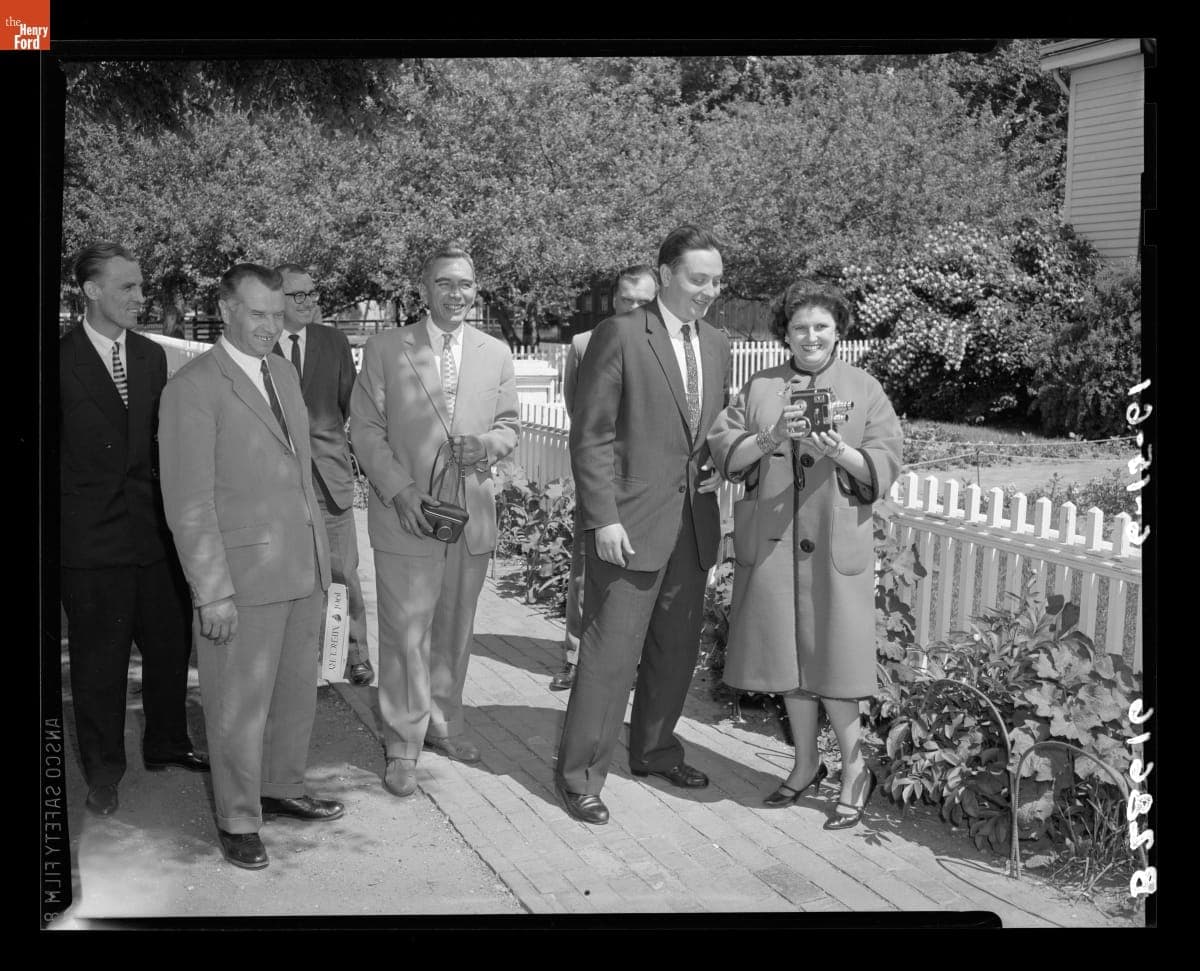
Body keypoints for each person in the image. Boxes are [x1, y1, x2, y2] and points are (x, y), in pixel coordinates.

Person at [159, 264, 343, 870]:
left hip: (301, 567)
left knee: (295, 697)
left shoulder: (283, 373)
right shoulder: (193, 388)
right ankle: (238, 818)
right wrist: (211, 592)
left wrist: (326, 559)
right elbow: (189, 502)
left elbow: (296, 474)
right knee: (238, 707)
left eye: (276, 313)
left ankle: (281, 786)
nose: (270, 325)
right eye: (258, 314)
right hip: (239, 581)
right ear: (227, 309)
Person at [707, 279, 903, 830]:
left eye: (821, 326)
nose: (810, 336)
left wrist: (839, 449)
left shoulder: (864, 389)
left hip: (835, 546)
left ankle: (855, 768)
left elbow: (885, 463)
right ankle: (804, 762)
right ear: (785, 334)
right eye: (799, 327)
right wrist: (772, 437)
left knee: (832, 662)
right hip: (772, 544)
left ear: (838, 331)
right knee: (788, 660)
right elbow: (728, 451)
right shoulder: (762, 385)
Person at [554, 225, 731, 825]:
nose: (708, 290)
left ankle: (654, 750)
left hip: (692, 525)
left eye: (715, 280)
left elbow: (702, 432)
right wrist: (601, 516)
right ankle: (580, 776)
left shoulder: (717, 343)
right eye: (697, 278)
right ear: (665, 274)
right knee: (608, 657)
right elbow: (592, 434)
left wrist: (714, 468)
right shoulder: (622, 335)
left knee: (674, 651)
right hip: (627, 525)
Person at [349, 244, 520, 799]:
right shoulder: (384, 347)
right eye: (445, 283)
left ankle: (445, 724)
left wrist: (489, 445)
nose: (457, 294)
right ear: (424, 289)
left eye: (466, 284)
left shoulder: (496, 353)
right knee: (405, 633)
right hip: (407, 516)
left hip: (469, 517)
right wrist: (399, 492)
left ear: (476, 289)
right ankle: (402, 743)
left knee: (454, 629)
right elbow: (366, 430)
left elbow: (510, 424)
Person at [59, 242, 209, 817]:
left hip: (155, 538)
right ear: (91, 291)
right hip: (90, 542)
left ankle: (168, 744)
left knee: (171, 649)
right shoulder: (59, 358)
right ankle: (103, 771)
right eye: (128, 288)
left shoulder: (150, 357)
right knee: (100, 663)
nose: (141, 298)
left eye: (142, 287)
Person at [550, 264, 658, 692]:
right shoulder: (582, 344)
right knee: (585, 570)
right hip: (605, 476)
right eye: (625, 299)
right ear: (614, 300)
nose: (633, 307)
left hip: (654, 479)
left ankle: (633, 659)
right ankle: (577, 657)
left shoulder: (669, 344)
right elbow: (581, 414)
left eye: (643, 301)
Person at [272, 263, 374, 686]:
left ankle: (348, 657)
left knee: (341, 574)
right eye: (298, 295)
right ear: (275, 298)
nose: (309, 301)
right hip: (277, 484)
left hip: (329, 481)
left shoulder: (333, 340)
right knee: (287, 575)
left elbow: (349, 403)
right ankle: (294, 663)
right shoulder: (258, 344)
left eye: (313, 293)